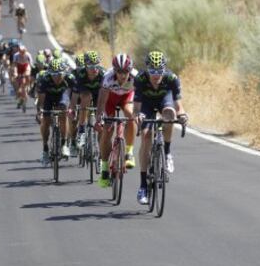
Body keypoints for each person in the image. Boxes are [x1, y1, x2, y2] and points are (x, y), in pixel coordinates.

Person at [133, 51, 188, 205]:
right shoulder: (140, 79)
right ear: (147, 69)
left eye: (159, 71)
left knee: (170, 115)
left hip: (165, 100)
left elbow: (179, 106)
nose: (156, 75)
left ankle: (167, 152)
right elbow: (136, 108)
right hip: (147, 104)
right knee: (146, 135)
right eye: (152, 71)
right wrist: (138, 116)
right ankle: (143, 186)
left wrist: (182, 115)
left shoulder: (172, 79)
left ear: (164, 69)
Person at [95, 54, 137, 188]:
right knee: (107, 130)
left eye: (125, 71)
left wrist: (139, 116)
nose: (123, 75)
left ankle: (129, 152)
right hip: (110, 101)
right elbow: (101, 100)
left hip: (126, 99)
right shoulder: (108, 77)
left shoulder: (136, 77)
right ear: (114, 70)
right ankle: (105, 168)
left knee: (131, 115)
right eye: (119, 72)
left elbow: (140, 98)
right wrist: (99, 118)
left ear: (130, 70)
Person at [37, 59, 76, 164]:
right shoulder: (44, 79)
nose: (56, 77)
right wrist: (40, 110)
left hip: (62, 95)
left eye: (59, 74)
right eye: (53, 75)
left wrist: (72, 107)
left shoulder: (70, 78)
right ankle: (45, 149)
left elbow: (76, 93)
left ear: (64, 72)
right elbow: (41, 97)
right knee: (45, 120)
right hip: (48, 97)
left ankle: (64, 144)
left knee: (63, 112)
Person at [69, 50, 105, 149]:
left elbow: (107, 96)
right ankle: (81, 131)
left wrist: (102, 114)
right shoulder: (80, 75)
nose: (94, 69)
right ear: (85, 66)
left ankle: (101, 149)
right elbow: (75, 96)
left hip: (99, 94)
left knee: (103, 125)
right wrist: (71, 109)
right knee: (86, 97)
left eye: (96, 66)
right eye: (91, 67)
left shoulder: (103, 74)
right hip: (85, 92)